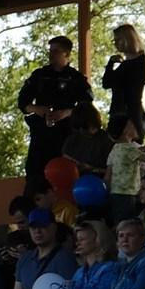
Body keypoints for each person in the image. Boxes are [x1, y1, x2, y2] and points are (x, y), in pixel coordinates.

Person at [18, 34, 97, 195]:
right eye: (50, 51)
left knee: (67, 170)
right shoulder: (39, 75)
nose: (51, 54)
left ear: (66, 54)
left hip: (66, 134)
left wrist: (66, 113)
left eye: (56, 51)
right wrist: (37, 109)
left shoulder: (76, 78)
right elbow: (22, 102)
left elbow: (86, 105)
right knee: (35, 172)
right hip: (41, 133)